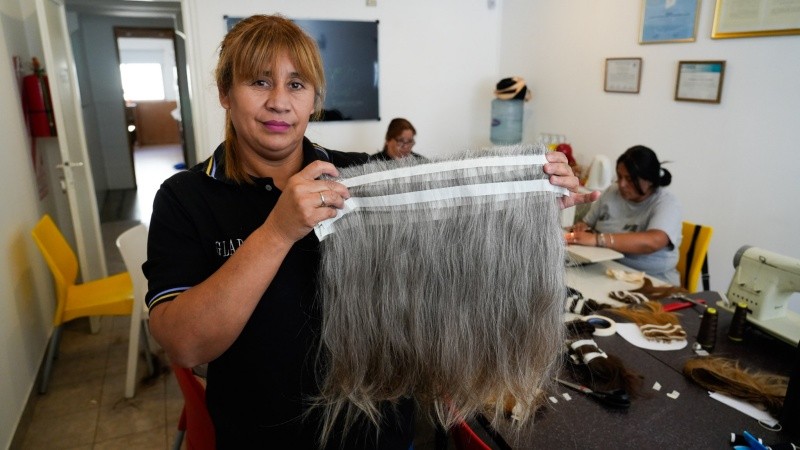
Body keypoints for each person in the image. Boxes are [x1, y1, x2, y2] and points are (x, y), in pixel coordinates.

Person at [143, 14, 597, 449]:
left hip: (378, 432)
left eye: (296, 84)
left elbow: (443, 267)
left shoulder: (360, 177)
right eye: (259, 81)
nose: (279, 101)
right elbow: (185, 345)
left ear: (315, 99)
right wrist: (278, 232)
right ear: (225, 92)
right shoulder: (186, 199)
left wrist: (522, 212)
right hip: (261, 435)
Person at [566, 145, 682, 285]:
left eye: (630, 179)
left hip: (651, 280)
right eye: (620, 176)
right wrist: (581, 228)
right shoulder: (612, 192)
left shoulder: (666, 203)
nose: (622, 184)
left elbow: (653, 241)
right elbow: (587, 224)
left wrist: (597, 239)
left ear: (649, 180)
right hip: (606, 268)